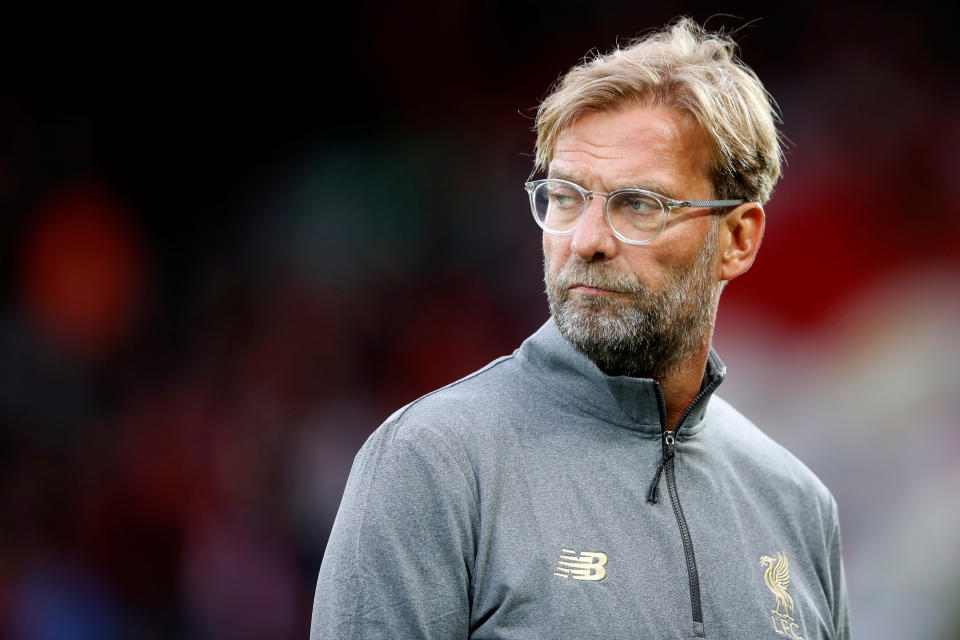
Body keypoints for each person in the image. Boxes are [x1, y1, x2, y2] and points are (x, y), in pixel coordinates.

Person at [311, 17, 849, 640]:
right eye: (565, 197)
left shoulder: (799, 508)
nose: (587, 241)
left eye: (639, 205)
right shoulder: (429, 464)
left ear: (738, 238)